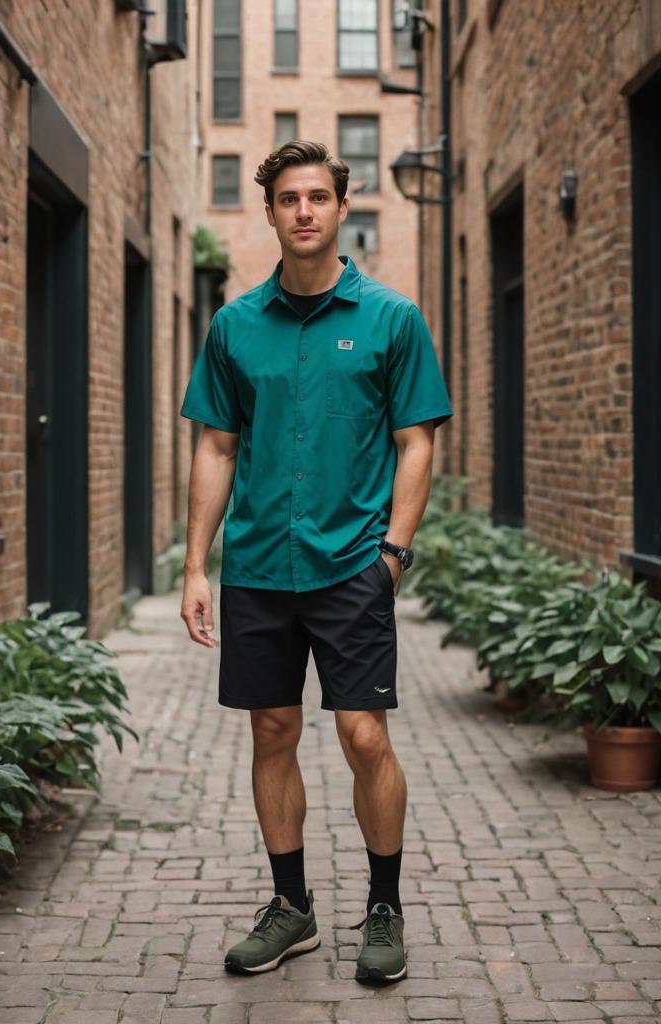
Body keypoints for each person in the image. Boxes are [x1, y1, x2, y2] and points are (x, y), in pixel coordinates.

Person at [179, 140, 452, 985]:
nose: (303, 211)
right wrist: (195, 564)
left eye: (317, 198)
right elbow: (217, 447)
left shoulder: (392, 320)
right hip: (259, 566)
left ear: (342, 207)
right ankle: (291, 908)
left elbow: (417, 444)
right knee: (272, 730)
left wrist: (393, 555)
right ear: (270, 212)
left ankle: (384, 909)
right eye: (288, 198)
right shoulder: (234, 327)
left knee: (363, 735)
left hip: (350, 567)